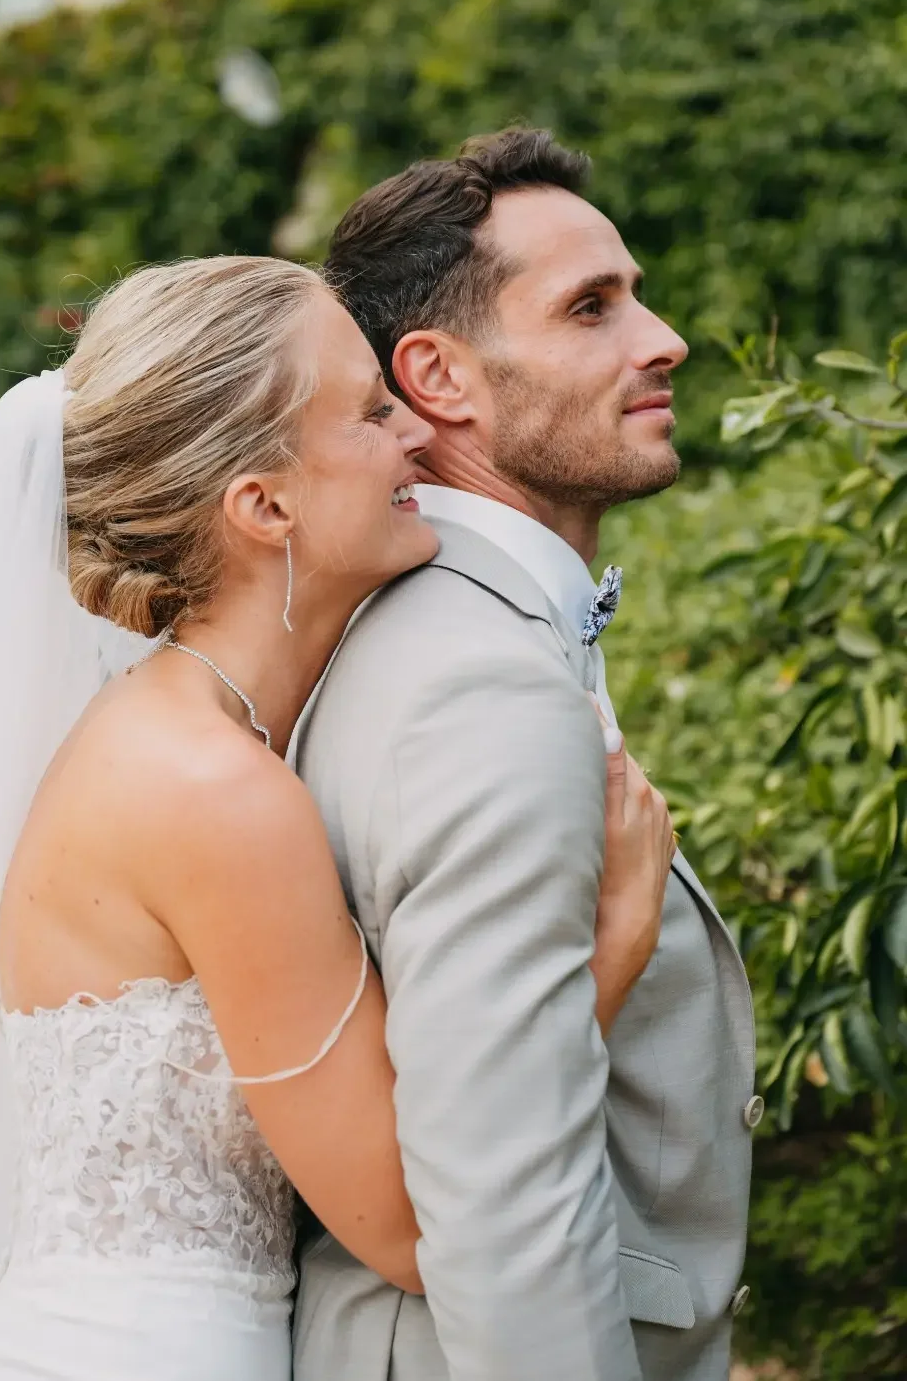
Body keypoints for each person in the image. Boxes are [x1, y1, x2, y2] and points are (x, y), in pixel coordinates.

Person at [0, 253, 670, 1381]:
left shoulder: (183, 735)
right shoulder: (214, 791)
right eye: (367, 411)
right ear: (263, 505)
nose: (414, 436)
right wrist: (609, 954)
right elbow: (408, 1225)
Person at [291, 130, 760, 1381]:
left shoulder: (450, 624)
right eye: (591, 309)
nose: (659, 339)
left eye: (637, 295)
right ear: (437, 377)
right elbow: (502, 1198)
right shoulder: (475, 680)